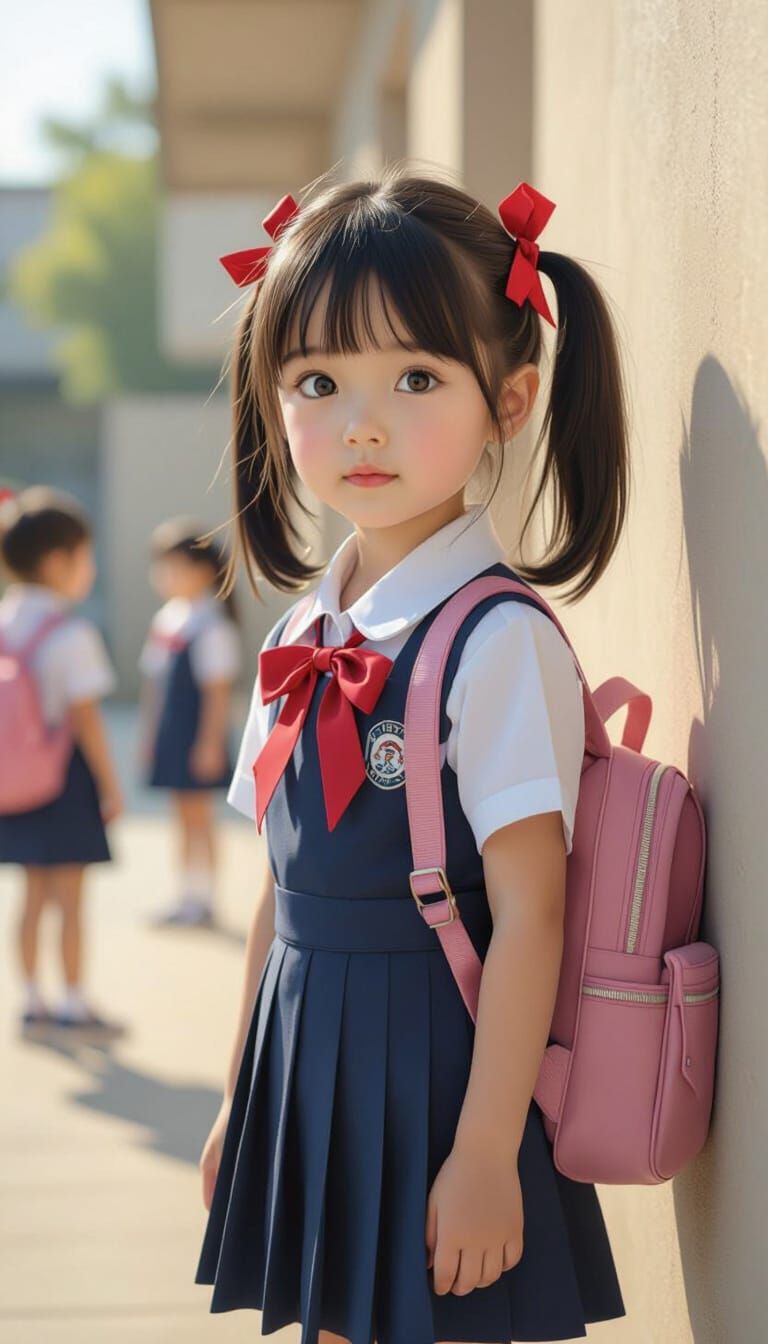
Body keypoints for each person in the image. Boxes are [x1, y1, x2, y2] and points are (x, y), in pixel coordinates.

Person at [194, 167, 632, 1343]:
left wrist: (489, 1148)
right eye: (319, 381)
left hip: (441, 1064)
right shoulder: (299, 629)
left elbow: (533, 913)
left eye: (418, 377)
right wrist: (243, 1095)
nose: (363, 422)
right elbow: (274, 894)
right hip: (307, 1048)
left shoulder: (494, 639)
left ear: (513, 396)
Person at [0, 486, 122, 1031]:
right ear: (58, 561)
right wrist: (110, 784)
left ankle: (31, 998)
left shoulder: (5, 622)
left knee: (30, 893)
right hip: (66, 774)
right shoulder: (71, 632)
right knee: (70, 897)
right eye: (84, 556)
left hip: (15, 776)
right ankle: (73, 1001)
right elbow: (86, 719)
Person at [139, 518, 241, 927]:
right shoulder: (168, 618)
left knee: (200, 817)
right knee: (180, 816)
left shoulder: (211, 623)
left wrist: (211, 744)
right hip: (171, 733)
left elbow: (218, 692)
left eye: (174, 566)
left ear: (203, 571)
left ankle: (205, 899)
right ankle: (184, 896)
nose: (164, 576)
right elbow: (154, 686)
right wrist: (148, 735)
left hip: (197, 735)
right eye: (161, 566)